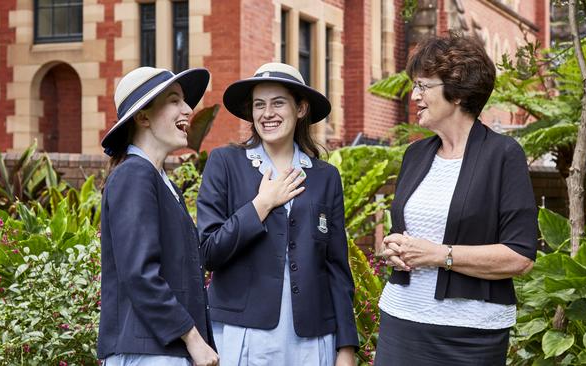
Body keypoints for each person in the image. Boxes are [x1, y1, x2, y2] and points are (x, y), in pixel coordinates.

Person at [374, 33, 538, 365]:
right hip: (401, 321)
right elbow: (410, 235)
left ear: (458, 92)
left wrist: (438, 255)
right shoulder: (415, 154)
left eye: (423, 86)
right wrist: (395, 249)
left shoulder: (503, 155)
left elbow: (520, 256)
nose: (415, 96)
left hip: (469, 336)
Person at [196, 62, 358, 366]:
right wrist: (262, 204)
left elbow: (337, 267)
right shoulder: (225, 164)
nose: (267, 113)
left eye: (278, 103)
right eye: (259, 105)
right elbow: (208, 251)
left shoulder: (325, 177)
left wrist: (346, 347)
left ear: (300, 109)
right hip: (243, 335)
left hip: (312, 339)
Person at [97, 66, 219, 366]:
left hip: (161, 350)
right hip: (149, 352)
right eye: (174, 100)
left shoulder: (159, 180)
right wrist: (193, 338)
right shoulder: (135, 175)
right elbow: (140, 274)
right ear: (143, 117)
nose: (188, 109)